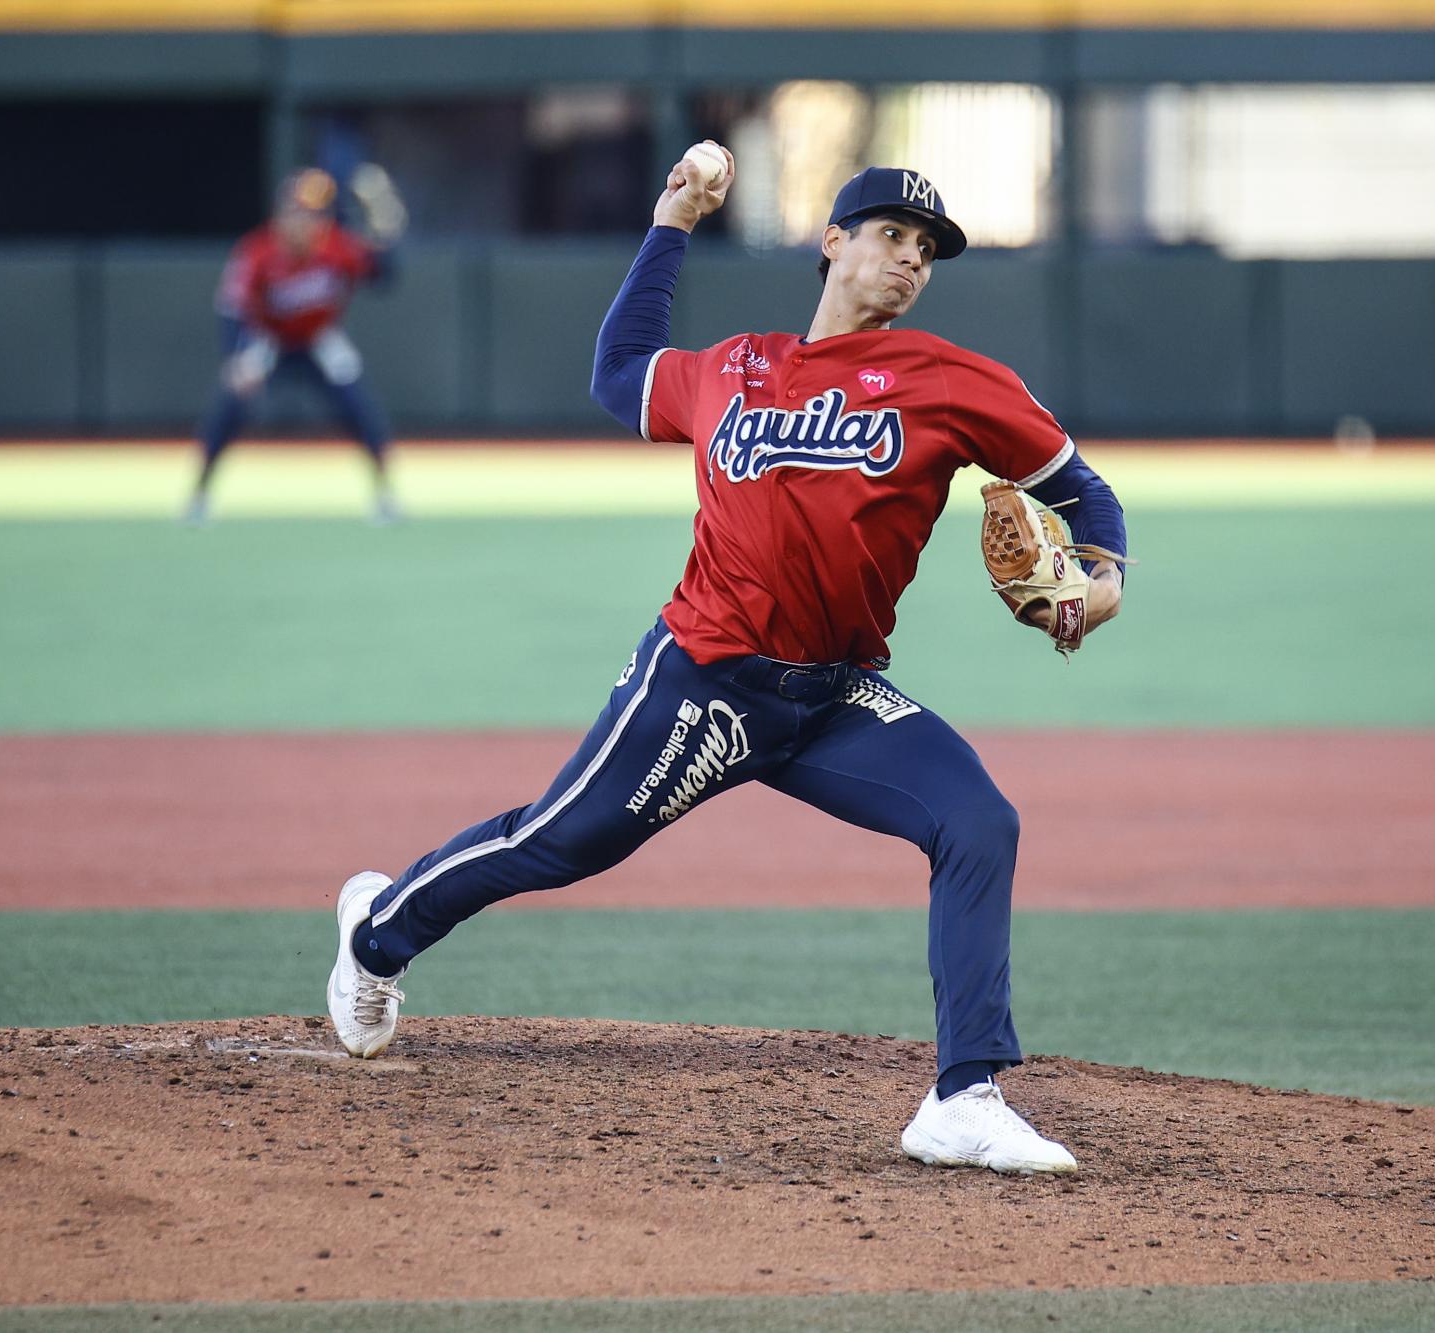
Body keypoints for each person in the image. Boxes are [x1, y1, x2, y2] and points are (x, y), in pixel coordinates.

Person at [326, 147, 1129, 1175]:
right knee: (558, 842)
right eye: (890, 235)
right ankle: (375, 932)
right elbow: (617, 373)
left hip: (834, 697)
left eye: (925, 249)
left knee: (977, 819)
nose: (909, 260)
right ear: (831, 241)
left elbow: (1080, 489)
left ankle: (962, 1096)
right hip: (702, 677)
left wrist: (1100, 580)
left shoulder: (949, 381)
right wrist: (670, 221)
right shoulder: (735, 367)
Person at [186, 166, 404, 525]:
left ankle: (385, 495)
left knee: (360, 407)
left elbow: (383, 277)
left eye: (315, 214)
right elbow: (230, 306)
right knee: (230, 405)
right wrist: (235, 359)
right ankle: (199, 495)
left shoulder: (336, 245)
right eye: (298, 212)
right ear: (281, 214)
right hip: (268, 339)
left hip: (319, 338)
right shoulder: (258, 250)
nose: (306, 222)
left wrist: (385, 230)